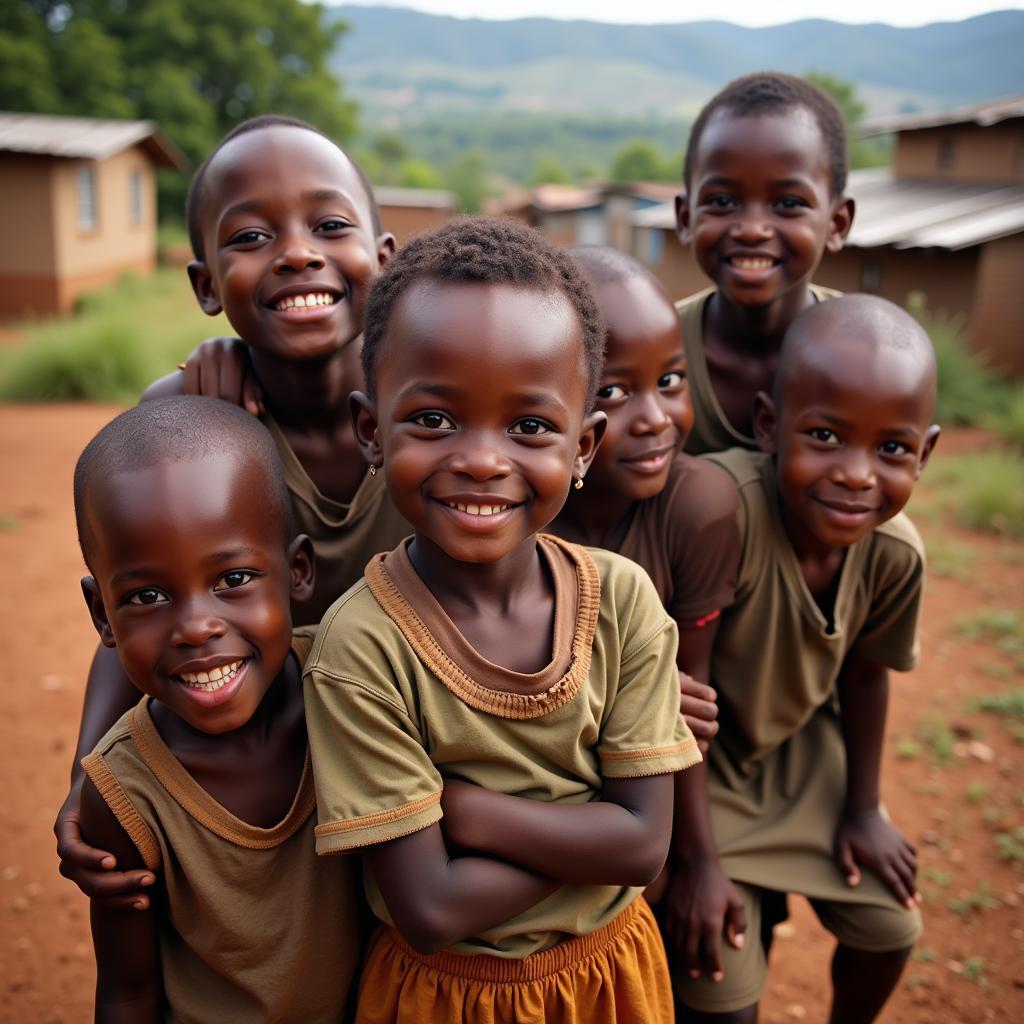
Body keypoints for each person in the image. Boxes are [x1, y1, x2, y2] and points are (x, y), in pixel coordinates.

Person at [302, 218, 701, 1023]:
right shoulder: (363, 647)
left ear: (584, 446)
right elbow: (432, 907)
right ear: (370, 432)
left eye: (529, 426)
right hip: (442, 996)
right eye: (435, 421)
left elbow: (647, 849)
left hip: (612, 982)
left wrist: (471, 813)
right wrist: (594, 830)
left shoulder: (623, 603)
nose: (483, 459)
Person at [55, 115, 412, 907]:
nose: (294, 252)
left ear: (384, 263)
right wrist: (90, 780)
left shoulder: (437, 410)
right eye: (250, 236)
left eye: (328, 224)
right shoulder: (184, 418)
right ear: (207, 285)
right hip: (269, 769)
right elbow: (137, 604)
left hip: (417, 763)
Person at [675, 295, 940, 1023]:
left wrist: (862, 809)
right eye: (825, 436)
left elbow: (864, 673)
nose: (857, 474)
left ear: (927, 451)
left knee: (891, 928)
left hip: (804, 759)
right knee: (722, 998)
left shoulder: (893, 554)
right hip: (705, 771)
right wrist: (695, 862)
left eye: (892, 449)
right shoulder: (723, 512)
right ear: (769, 426)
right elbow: (682, 694)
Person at [74, 396, 363, 1021]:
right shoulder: (125, 792)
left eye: (233, 580)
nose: (196, 628)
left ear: (298, 572)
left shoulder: (357, 696)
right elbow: (128, 991)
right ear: (103, 615)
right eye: (147, 595)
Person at [550, 245, 747, 981]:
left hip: (641, 790)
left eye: (669, 382)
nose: (656, 418)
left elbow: (684, 713)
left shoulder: (698, 510)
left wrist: (699, 859)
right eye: (614, 392)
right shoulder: (511, 523)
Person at [675, 72, 855, 456]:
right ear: (684, 217)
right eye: (722, 201)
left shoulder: (863, 352)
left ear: (837, 223)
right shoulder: (654, 351)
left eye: (788, 204)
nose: (753, 230)